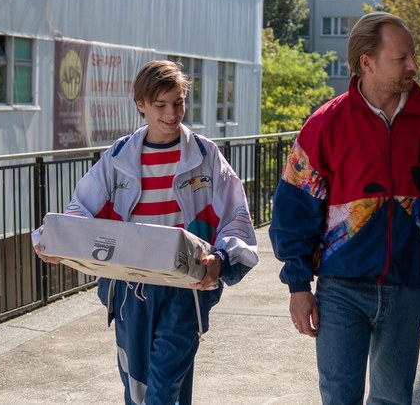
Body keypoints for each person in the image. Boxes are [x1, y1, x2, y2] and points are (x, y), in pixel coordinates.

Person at [269, 12, 420, 404]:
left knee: (393, 399)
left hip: (409, 289)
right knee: (339, 397)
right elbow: (294, 210)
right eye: (401, 58)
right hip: (340, 289)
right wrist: (298, 286)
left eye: (412, 55)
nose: (413, 66)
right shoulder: (324, 124)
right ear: (367, 62)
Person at [34, 60, 259, 405]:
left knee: (163, 385)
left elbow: (236, 215)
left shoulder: (205, 154)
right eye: (161, 105)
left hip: (186, 288)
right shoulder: (119, 156)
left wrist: (223, 260)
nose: (172, 113)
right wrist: (55, 240)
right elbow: (81, 209)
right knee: (138, 388)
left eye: (178, 102)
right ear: (140, 104)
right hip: (129, 289)